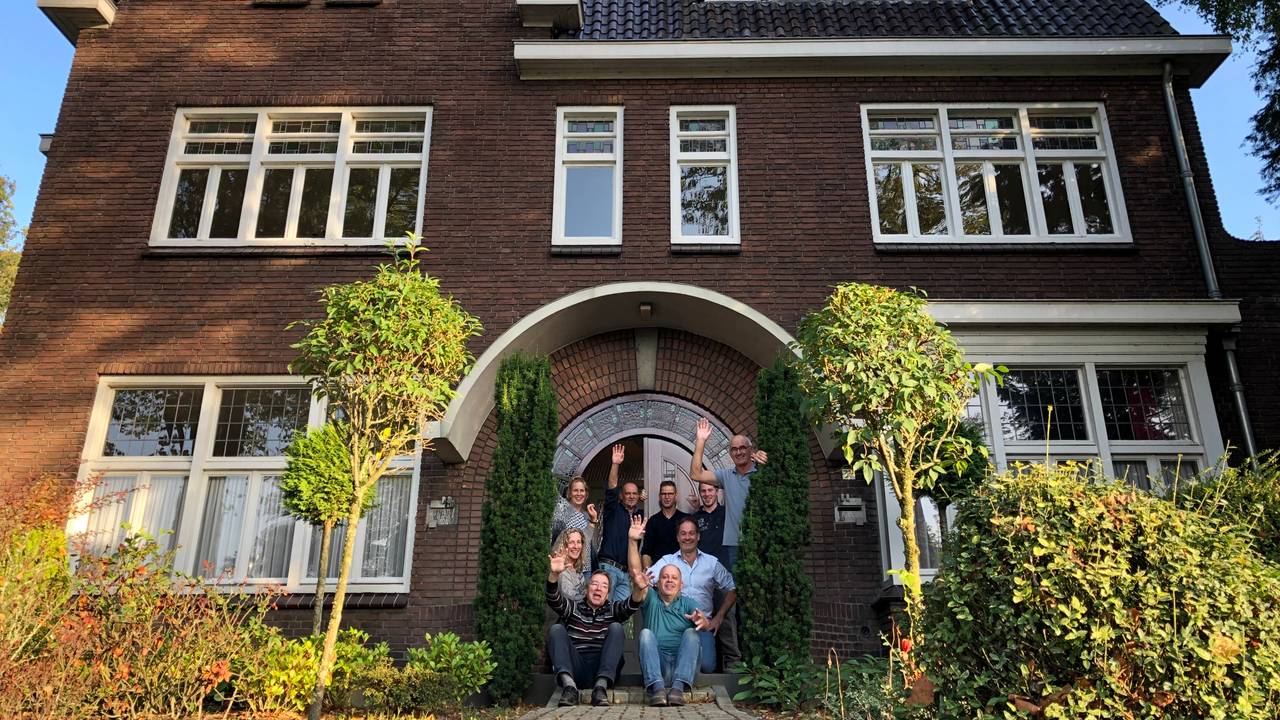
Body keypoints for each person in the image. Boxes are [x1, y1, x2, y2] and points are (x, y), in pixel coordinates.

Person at [626, 515, 709, 707]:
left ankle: (678, 689)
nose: (669, 580)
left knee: (692, 633)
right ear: (657, 581)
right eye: (665, 577)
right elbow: (637, 575)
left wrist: (703, 622)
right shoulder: (651, 598)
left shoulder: (689, 603)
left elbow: (703, 623)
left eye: (674, 578)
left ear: (681, 584)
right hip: (659, 668)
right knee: (645, 634)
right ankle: (657, 689)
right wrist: (632, 541)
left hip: (683, 668)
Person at [546, 550, 645, 706]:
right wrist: (554, 575)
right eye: (594, 584)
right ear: (587, 589)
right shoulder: (574, 608)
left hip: (603, 668)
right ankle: (570, 688)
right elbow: (554, 599)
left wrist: (638, 589)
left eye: (604, 586)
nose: (598, 588)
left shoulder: (612, 609)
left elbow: (631, 605)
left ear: (607, 594)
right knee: (556, 630)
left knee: (617, 628)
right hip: (577, 668)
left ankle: (600, 688)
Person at [648, 517, 736, 674]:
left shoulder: (711, 563)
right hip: (673, 626)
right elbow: (646, 580)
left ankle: (681, 669)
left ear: (698, 536)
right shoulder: (667, 561)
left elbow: (733, 588)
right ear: (677, 537)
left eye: (691, 533)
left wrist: (719, 617)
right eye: (683, 533)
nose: (687, 537)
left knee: (707, 666)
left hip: (701, 626)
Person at [689, 417, 765, 572]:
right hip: (734, 544)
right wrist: (701, 441)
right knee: (736, 585)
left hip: (760, 541)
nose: (739, 452)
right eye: (734, 449)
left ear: (751, 450)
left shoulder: (761, 473)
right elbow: (696, 474)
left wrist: (765, 459)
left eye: (742, 448)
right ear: (730, 453)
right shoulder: (726, 476)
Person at [690, 482, 740, 668]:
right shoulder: (695, 519)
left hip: (723, 578)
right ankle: (706, 666)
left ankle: (732, 667)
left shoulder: (728, 514)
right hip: (702, 579)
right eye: (703, 491)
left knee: (726, 622)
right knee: (701, 622)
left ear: (717, 492)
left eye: (710, 490)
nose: (707, 494)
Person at [597, 443, 644, 601]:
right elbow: (612, 487)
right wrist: (615, 464)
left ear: (638, 496)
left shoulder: (640, 516)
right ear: (621, 496)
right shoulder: (613, 509)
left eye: (634, 494)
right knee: (602, 608)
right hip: (608, 567)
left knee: (621, 613)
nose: (631, 496)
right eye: (627, 493)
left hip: (626, 573)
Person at [640, 479, 687, 568]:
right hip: (659, 571)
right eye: (664, 494)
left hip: (682, 570)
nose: (667, 497)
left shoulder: (685, 519)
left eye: (670, 494)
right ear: (659, 496)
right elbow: (646, 552)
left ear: (676, 496)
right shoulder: (653, 521)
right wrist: (647, 570)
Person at [550, 475, 598, 551]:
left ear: (586, 494)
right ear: (569, 493)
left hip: (578, 557)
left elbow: (586, 543)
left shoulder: (586, 516)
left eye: (582, 491)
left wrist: (593, 520)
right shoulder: (561, 509)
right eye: (575, 490)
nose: (579, 494)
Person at [549, 527, 589, 602]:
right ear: (563, 546)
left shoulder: (576, 567)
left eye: (578, 542)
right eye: (571, 542)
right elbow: (572, 599)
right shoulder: (561, 571)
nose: (576, 546)